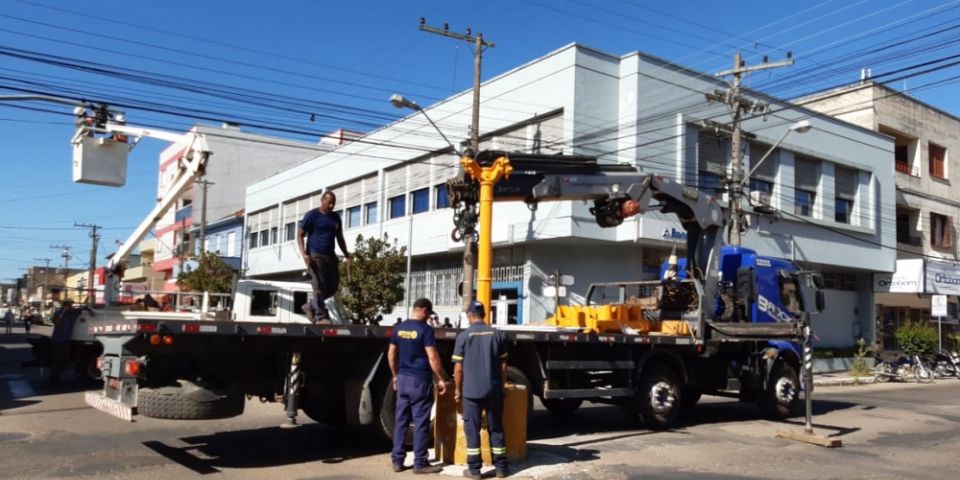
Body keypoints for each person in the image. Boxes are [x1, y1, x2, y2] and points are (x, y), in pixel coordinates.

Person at [387, 298, 448, 474]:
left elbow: (391, 354)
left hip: (403, 379)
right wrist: (441, 378)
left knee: (401, 421)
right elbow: (433, 356)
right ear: (423, 310)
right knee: (421, 422)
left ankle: (397, 460)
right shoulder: (425, 330)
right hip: (419, 380)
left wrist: (395, 376)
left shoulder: (399, 328)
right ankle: (420, 463)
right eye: (428, 314)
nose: (429, 317)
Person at [453, 301, 510, 479]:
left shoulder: (463, 336)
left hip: (471, 392)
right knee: (496, 428)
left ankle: (474, 470)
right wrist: (502, 387)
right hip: (493, 390)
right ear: (484, 315)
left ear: (470, 315)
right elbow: (503, 366)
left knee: (472, 430)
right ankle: (501, 468)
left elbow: (458, 369)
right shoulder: (497, 335)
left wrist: (457, 390)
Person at [296, 191, 351, 323]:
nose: (331, 205)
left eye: (333, 203)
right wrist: (304, 254)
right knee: (318, 286)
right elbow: (300, 235)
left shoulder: (335, 217)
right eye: (329, 203)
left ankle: (309, 306)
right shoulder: (312, 215)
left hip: (330, 256)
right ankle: (321, 316)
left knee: (333, 287)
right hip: (315, 255)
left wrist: (347, 255)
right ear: (322, 200)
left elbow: (340, 238)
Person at [50, 300, 96, 387]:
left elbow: (84, 308)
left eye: (71, 305)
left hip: (66, 341)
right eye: (68, 305)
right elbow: (56, 322)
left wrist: (90, 311)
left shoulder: (73, 313)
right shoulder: (58, 313)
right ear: (64, 306)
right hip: (56, 341)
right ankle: (54, 377)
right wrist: (63, 313)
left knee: (65, 359)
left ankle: (57, 374)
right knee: (56, 360)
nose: (70, 307)